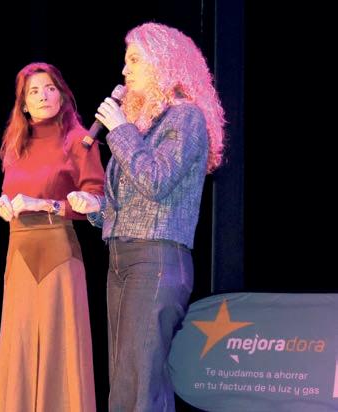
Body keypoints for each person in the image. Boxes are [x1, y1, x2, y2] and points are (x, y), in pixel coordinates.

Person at [68, 22, 225, 411]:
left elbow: (156, 181)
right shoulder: (141, 126)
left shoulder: (185, 118)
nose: (125, 70)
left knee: (143, 385)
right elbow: (134, 202)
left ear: (164, 62)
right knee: (123, 381)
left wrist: (120, 130)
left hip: (156, 259)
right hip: (121, 259)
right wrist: (97, 208)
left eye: (135, 60)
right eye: (126, 61)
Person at [0, 62, 104, 412]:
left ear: (62, 96)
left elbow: (96, 202)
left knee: (60, 347)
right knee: (20, 349)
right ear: (23, 104)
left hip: (58, 254)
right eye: (34, 91)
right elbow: (10, 192)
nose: (43, 96)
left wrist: (46, 204)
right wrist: (3, 205)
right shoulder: (15, 145)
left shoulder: (80, 141)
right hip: (18, 256)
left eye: (50, 88)